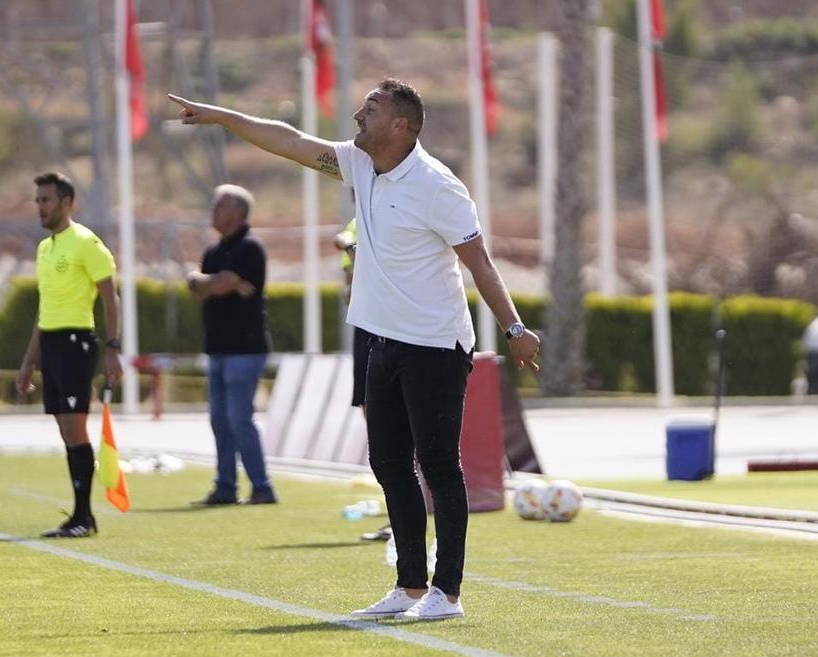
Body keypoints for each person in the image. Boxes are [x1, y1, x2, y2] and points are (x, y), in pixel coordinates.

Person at [169, 78, 540, 621]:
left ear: (400, 126)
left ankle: (448, 594)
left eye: (370, 108)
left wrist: (514, 329)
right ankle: (410, 586)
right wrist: (224, 117)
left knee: (438, 465)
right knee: (389, 464)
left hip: (436, 344)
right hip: (381, 340)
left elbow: (479, 261)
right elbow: (288, 139)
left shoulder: (439, 185)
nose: (357, 115)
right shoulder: (358, 163)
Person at [16, 172, 123, 538]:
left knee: (76, 428)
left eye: (46, 200)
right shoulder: (45, 248)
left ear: (66, 202)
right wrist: (29, 361)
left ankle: (83, 516)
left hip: (78, 344)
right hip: (52, 346)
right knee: (65, 431)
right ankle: (80, 515)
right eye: (38, 200)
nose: (40, 207)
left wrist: (112, 348)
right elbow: (44, 311)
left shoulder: (86, 243)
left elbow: (111, 298)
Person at [187, 184, 277, 507]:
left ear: (239, 212)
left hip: (245, 348)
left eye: (219, 206)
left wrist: (215, 282)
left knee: (239, 418)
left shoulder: (250, 247)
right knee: (220, 420)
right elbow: (197, 286)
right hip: (218, 347)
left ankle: (262, 487)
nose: (213, 212)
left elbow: (214, 284)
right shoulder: (214, 252)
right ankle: (225, 486)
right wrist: (219, 282)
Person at [333, 211, 391, 544]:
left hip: (392, 330)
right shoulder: (357, 220)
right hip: (365, 330)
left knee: (399, 428)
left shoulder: (396, 209)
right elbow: (350, 290)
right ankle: (396, 514)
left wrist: (352, 246)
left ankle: (410, 517)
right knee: (376, 424)